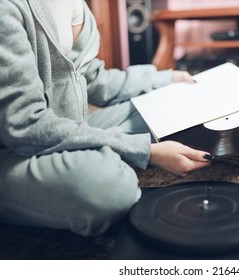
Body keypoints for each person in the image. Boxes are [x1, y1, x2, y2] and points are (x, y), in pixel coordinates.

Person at [0, 0, 210, 236]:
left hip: (69, 128)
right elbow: (26, 125)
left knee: (169, 106)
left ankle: (97, 156)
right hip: (14, 150)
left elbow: (94, 80)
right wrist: (146, 151)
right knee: (110, 187)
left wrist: (165, 80)